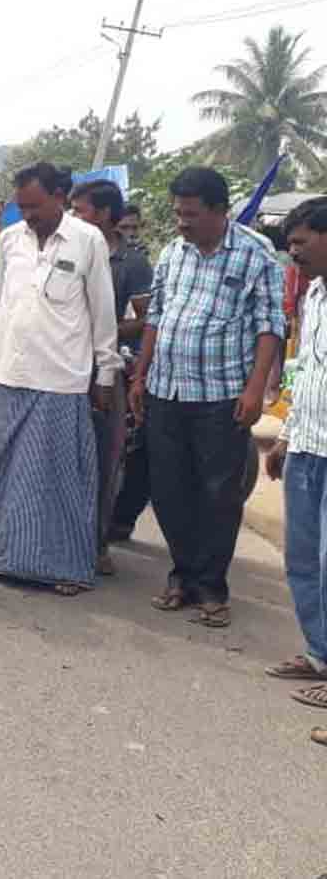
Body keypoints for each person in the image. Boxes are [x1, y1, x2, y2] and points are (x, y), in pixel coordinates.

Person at [129, 167, 283, 627]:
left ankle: (212, 587)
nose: (181, 223)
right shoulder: (175, 252)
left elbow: (269, 325)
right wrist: (141, 374)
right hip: (167, 388)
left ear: (220, 211)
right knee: (169, 490)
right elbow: (156, 314)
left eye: (191, 214)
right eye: (178, 213)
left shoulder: (257, 254)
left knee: (218, 493)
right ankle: (182, 577)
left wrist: (256, 389)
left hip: (221, 395)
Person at [0, 162, 121, 595]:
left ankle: (67, 567)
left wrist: (104, 373)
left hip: (62, 378)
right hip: (9, 373)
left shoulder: (87, 241)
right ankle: (9, 559)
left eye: (34, 206)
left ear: (60, 197)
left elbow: (102, 313)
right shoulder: (9, 241)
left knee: (59, 478)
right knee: (9, 471)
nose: (27, 214)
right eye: (21, 206)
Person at [264, 197, 327, 741]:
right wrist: (285, 436)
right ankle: (320, 655)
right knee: (304, 558)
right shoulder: (315, 296)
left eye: (302, 242)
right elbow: (306, 369)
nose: (294, 252)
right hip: (308, 443)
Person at [70, 180, 153, 575]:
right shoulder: (66, 245)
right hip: (62, 365)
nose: (73, 217)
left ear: (103, 214)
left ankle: (96, 542)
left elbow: (146, 319)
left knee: (105, 459)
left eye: (80, 210)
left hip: (106, 369)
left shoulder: (132, 261)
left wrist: (101, 330)